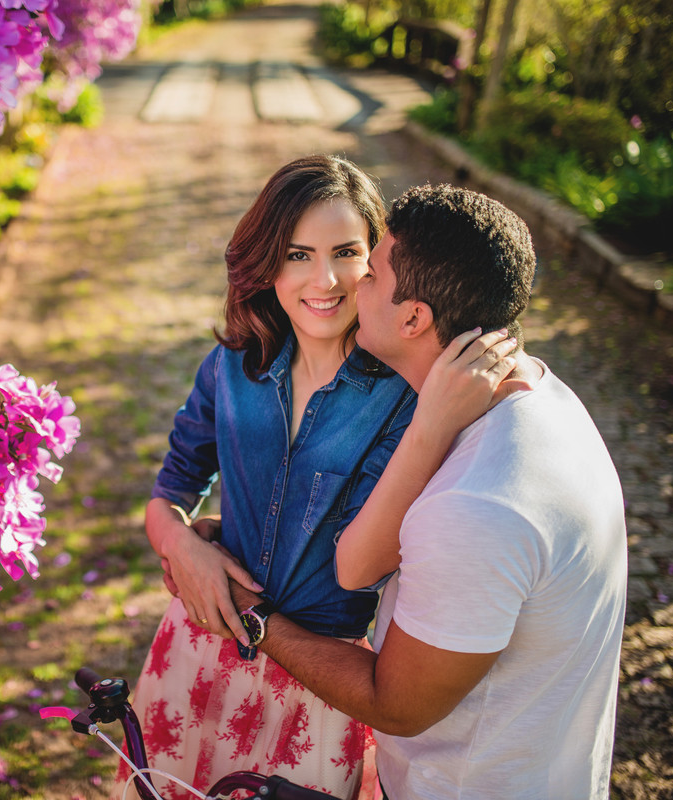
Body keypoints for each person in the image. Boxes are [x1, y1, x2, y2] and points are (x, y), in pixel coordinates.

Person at [117, 156, 505, 800]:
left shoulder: (407, 396)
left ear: (376, 261)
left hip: (324, 682)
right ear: (267, 262)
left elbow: (371, 561)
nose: (324, 279)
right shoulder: (231, 367)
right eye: (298, 254)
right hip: (199, 648)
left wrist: (433, 420)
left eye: (347, 252)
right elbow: (168, 496)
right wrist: (183, 546)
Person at [229, 183, 628, 799]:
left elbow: (395, 705)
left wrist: (252, 618)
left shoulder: (477, 505)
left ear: (414, 317)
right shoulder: (539, 394)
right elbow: (356, 566)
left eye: (372, 272)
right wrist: (428, 427)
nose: (352, 282)